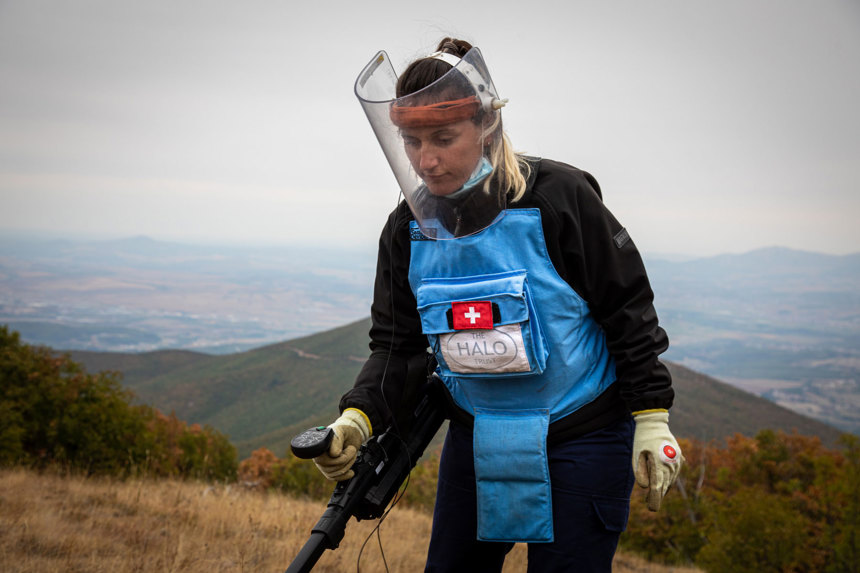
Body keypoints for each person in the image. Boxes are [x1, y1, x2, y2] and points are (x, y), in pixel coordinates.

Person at [312, 37, 683, 572]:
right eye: (411, 142)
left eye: (443, 137)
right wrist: (358, 417)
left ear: (487, 125)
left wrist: (652, 416)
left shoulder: (558, 199)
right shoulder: (407, 232)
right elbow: (398, 348)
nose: (427, 160)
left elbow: (626, 308)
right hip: (478, 437)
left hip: (583, 435)